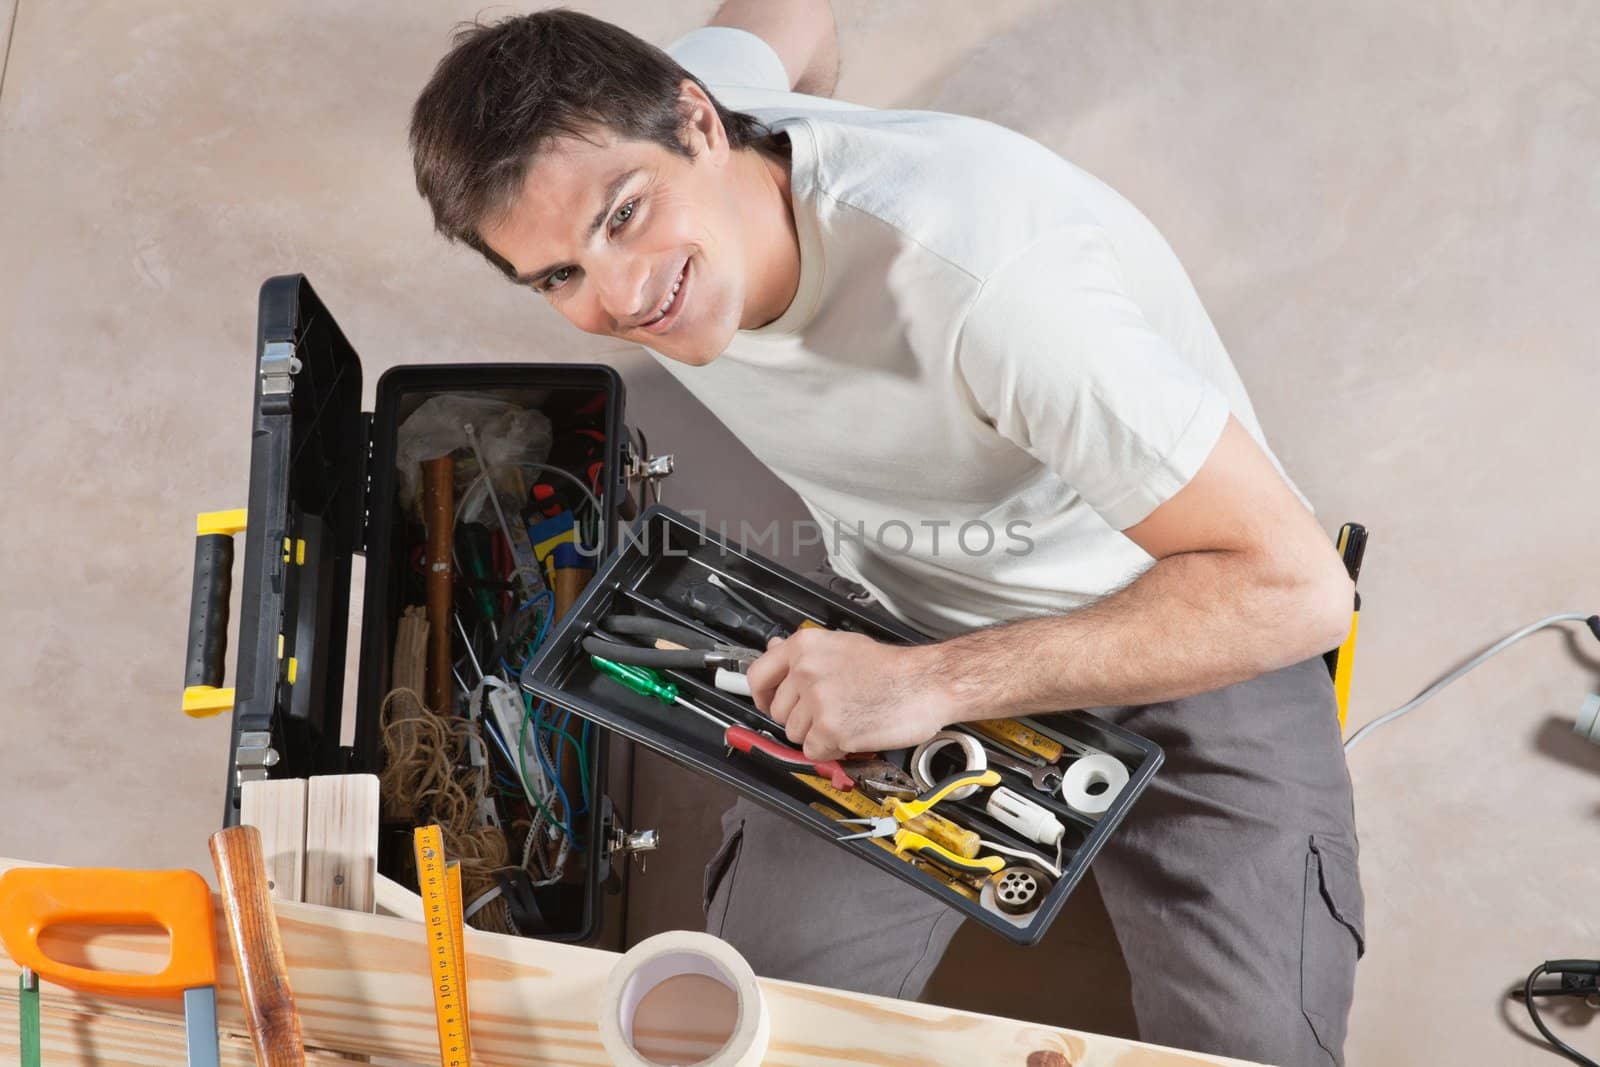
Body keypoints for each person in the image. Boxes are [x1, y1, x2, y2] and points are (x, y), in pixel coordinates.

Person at [408, 4, 1364, 1063]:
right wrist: (904, 674)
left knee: (1254, 1051)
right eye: (557, 278)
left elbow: (1297, 590)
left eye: (625, 216)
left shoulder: (996, 289)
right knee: (746, 1029)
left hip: (1189, 616)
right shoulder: (685, 114)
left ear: (698, 124)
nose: (623, 296)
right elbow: (786, 14)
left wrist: (935, 687)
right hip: (906, 618)